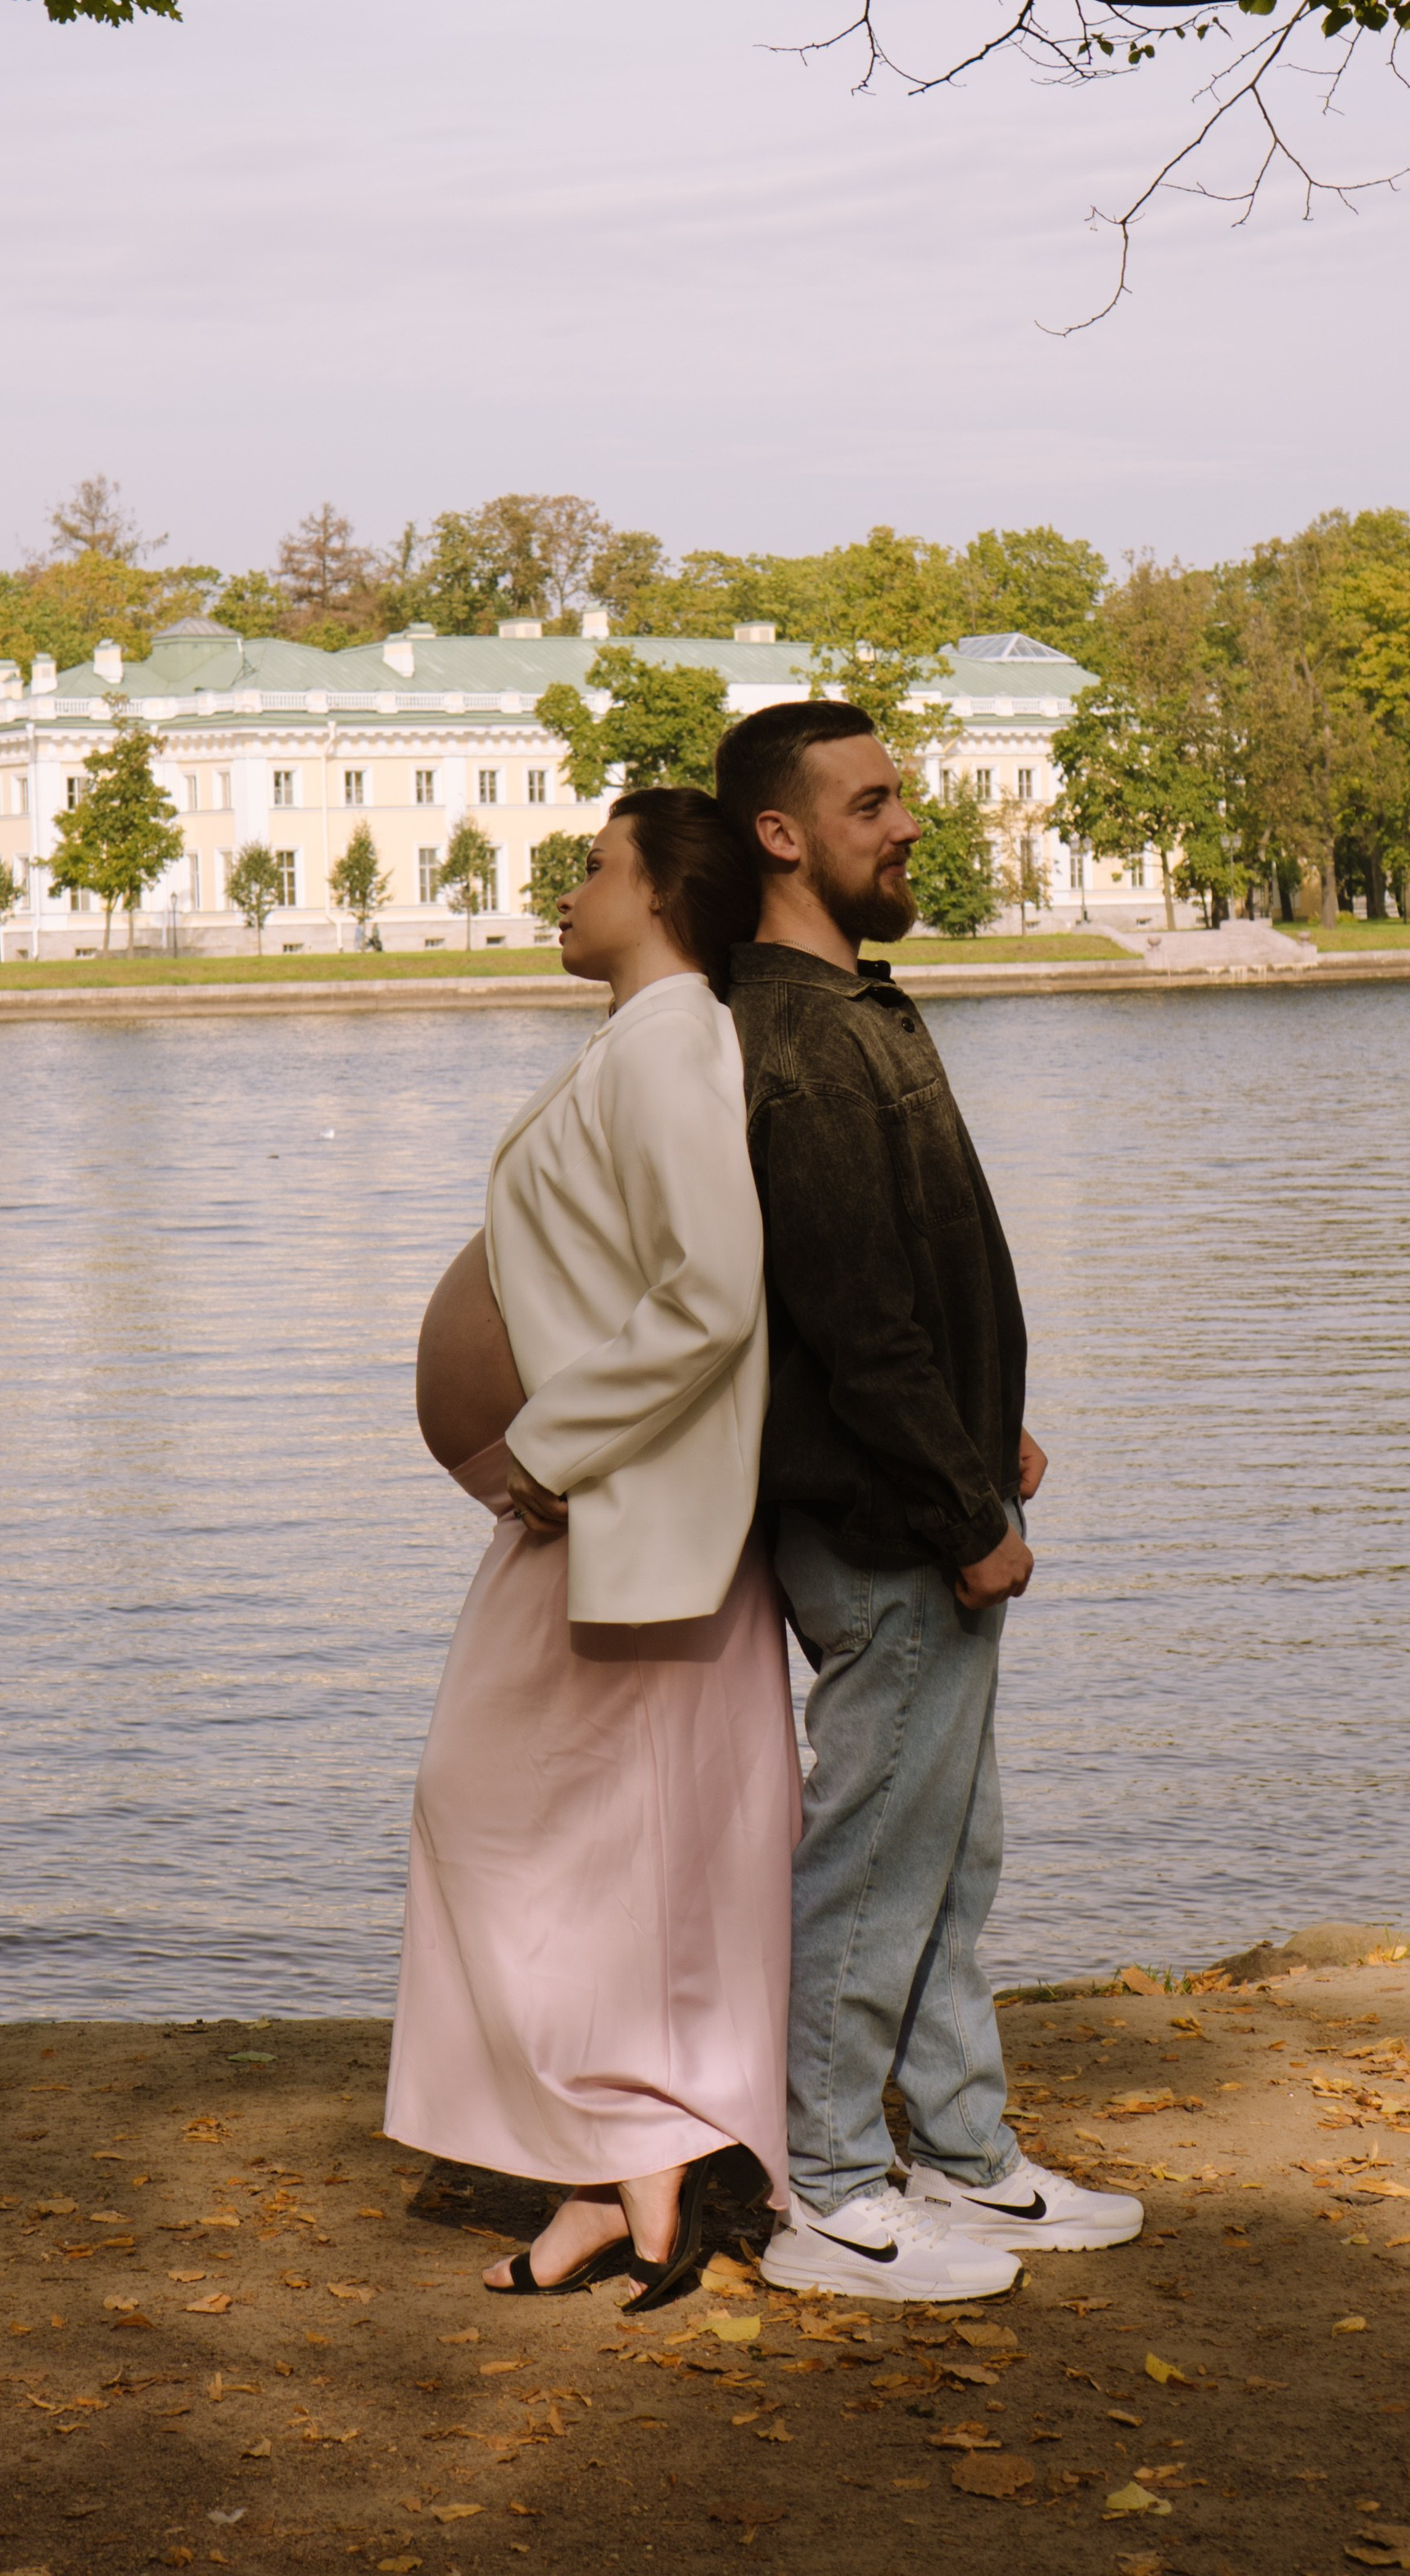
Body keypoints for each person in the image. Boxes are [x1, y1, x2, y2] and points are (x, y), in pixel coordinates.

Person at [714, 699, 1145, 2302]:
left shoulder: (855, 1007)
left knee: (952, 1849)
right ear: (782, 834)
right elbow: (850, 1317)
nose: (907, 823)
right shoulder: (794, 1035)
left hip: (931, 1491)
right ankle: (820, 2194)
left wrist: (992, 1436)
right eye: (872, 801)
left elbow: (916, 1277)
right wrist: (965, 1512)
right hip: (879, 1521)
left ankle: (961, 2159)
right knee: (872, 1852)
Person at [384, 785, 800, 2311]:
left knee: (501, 1813)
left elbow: (715, 1290)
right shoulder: (641, 1041)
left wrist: (554, 1450)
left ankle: (642, 2160)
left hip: (620, 1512)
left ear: (666, 893)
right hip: (600, 1517)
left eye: (593, 866)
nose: (566, 887)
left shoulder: (679, 1039)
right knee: (608, 1848)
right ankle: (615, 2187)